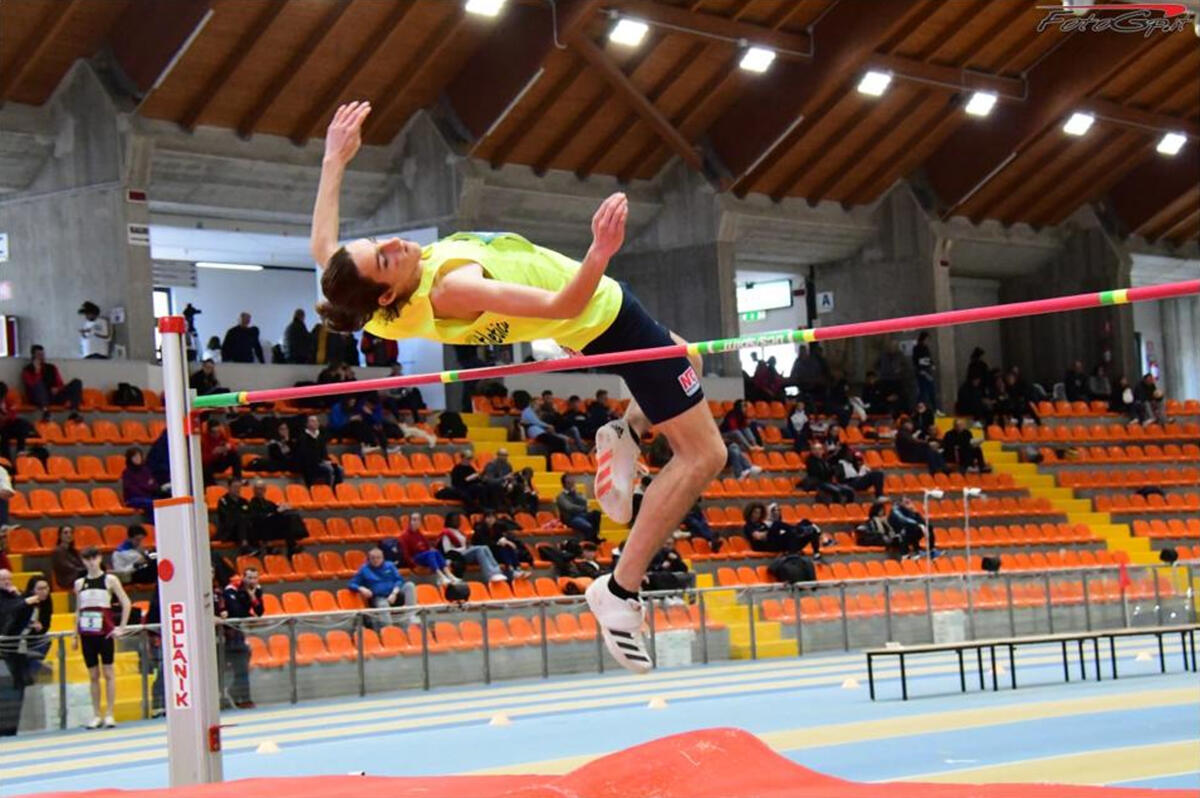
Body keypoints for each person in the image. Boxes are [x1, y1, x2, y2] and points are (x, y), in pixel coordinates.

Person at [311, 102, 725, 672]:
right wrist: (600, 250)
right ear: (385, 290)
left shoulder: (373, 309)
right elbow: (564, 303)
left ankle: (624, 432)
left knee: (692, 360)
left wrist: (335, 159)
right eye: (385, 257)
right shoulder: (452, 286)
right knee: (705, 454)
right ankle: (620, 591)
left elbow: (322, 248)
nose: (398, 245)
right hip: (606, 316)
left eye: (382, 241)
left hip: (589, 325)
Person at [74, 546, 132, 729]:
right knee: (93, 675)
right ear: (83, 561)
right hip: (86, 634)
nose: (91, 562)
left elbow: (126, 602)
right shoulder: (79, 583)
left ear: (99, 558)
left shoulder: (110, 580)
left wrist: (121, 628)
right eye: (86, 559)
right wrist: (75, 636)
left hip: (105, 633)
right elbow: (78, 610)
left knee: (108, 673)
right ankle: (96, 714)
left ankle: (109, 714)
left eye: (93, 558)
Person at [220, 567, 264, 709]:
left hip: (239, 635)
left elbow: (260, 611)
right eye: (249, 577)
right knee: (234, 668)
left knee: (242, 667)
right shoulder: (230, 590)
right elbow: (236, 611)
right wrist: (250, 616)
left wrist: (252, 597)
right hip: (226, 635)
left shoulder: (257, 589)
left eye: (255, 578)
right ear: (243, 578)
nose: (252, 581)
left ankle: (242, 697)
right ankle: (230, 697)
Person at [4, 575, 53, 687]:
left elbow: (46, 626)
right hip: (14, 639)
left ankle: (29, 669)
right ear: (32, 590)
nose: (44, 591)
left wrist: (40, 627)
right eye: (40, 589)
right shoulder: (23, 601)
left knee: (46, 641)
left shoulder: (47, 603)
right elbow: (12, 622)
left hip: (30, 639)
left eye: (46, 588)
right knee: (19, 668)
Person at [348, 547, 416, 628]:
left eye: (378, 558)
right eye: (373, 558)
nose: (375, 560)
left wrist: (394, 593)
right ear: (369, 559)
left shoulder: (390, 565)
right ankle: (389, 628)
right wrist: (361, 588)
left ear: (383, 558)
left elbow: (399, 580)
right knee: (383, 604)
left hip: (395, 594)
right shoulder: (364, 569)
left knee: (410, 585)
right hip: (379, 597)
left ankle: (410, 615)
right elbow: (351, 584)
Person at [437, 513, 507, 583]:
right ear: (449, 521)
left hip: (464, 553)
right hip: (455, 556)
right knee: (479, 549)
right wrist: (464, 548)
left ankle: (497, 571)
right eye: (455, 519)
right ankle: (490, 575)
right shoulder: (446, 533)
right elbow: (447, 551)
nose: (457, 521)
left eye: (458, 519)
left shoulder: (459, 532)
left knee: (484, 547)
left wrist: (467, 547)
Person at [247, 480, 305, 556]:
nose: (259, 491)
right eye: (258, 489)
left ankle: (293, 544)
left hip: (272, 529)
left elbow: (276, 510)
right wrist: (274, 513)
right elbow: (256, 518)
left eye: (261, 489)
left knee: (289, 515)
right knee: (269, 520)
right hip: (261, 530)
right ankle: (289, 545)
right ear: (254, 490)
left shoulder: (269, 503)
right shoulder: (252, 504)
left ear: (265, 490)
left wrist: (283, 508)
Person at [399, 513, 459, 585]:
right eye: (414, 520)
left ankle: (450, 575)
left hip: (425, 556)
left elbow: (427, 547)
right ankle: (441, 576)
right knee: (431, 553)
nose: (416, 522)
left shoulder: (420, 534)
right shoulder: (404, 536)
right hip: (415, 558)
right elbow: (405, 554)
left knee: (435, 551)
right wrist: (413, 564)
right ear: (410, 522)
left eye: (418, 520)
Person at [21, 345, 83, 413]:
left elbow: (60, 383)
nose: (42, 357)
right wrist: (37, 372)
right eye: (39, 355)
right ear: (33, 357)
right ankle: (45, 411)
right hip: (39, 398)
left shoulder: (51, 368)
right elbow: (32, 386)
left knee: (77, 382)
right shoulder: (27, 370)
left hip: (53, 396)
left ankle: (73, 409)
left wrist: (57, 388)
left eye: (43, 355)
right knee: (39, 386)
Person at [472, 511, 530, 579]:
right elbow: (484, 543)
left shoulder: (497, 527)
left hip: (495, 549)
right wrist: (499, 543)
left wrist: (507, 542)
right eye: (488, 518)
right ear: (484, 519)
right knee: (503, 547)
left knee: (507, 547)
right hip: (486, 552)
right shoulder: (480, 528)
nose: (490, 520)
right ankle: (511, 570)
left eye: (492, 518)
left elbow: (500, 537)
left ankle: (517, 568)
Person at [295, 414, 343, 487]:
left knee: (340, 469)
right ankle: (328, 489)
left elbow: (324, 452)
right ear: (307, 424)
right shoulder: (303, 437)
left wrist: (327, 460)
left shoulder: (320, 436)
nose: (315, 423)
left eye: (316, 421)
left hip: (322, 461)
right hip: (311, 463)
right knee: (329, 469)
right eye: (312, 421)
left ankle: (337, 489)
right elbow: (304, 454)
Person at [556, 474, 602, 542]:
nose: (571, 484)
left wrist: (575, 494)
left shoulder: (576, 494)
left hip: (581, 515)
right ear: (564, 484)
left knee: (596, 513)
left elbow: (584, 502)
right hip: (570, 518)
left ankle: (595, 536)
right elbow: (569, 507)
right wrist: (582, 509)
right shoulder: (561, 497)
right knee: (587, 526)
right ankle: (589, 542)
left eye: (572, 482)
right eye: (569, 482)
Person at [0, 383, 36, 467]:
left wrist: (5, 417)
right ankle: (7, 461)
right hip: (2, 428)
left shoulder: (12, 396)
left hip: (8, 424)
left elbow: (12, 415)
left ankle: (21, 450)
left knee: (22, 423)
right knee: (4, 435)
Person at [120, 447, 162, 517]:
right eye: (135, 457)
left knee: (162, 502)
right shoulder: (127, 473)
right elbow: (131, 489)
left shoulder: (145, 470)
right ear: (130, 459)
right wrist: (147, 486)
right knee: (150, 503)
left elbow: (154, 485)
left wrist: (143, 486)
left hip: (148, 497)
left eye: (139, 456)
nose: (137, 458)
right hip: (133, 499)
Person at [200, 417, 241, 485]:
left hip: (220, 461)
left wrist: (228, 447)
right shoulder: (204, 440)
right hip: (210, 464)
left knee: (234, 456)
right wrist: (214, 453)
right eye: (214, 432)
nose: (217, 434)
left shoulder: (222, 435)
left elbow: (233, 446)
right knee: (205, 469)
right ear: (209, 432)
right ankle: (212, 485)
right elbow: (203, 459)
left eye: (218, 431)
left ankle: (237, 479)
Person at [51, 526, 84, 590]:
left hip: (76, 575)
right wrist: (83, 571)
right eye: (65, 533)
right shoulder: (58, 551)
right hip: (66, 578)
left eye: (71, 533)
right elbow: (66, 567)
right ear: (60, 536)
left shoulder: (73, 551)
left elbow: (81, 563)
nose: (69, 535)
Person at [912, 331, 937, 411]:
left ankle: (934, 409)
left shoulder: (926, 348)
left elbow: (928, 359)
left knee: (931, 391)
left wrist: (932, 364)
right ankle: (919, 409)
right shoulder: (917, 348)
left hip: (927, 372)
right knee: (923, 392)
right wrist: (920, 369)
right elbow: (916, 361)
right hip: (921, 372)